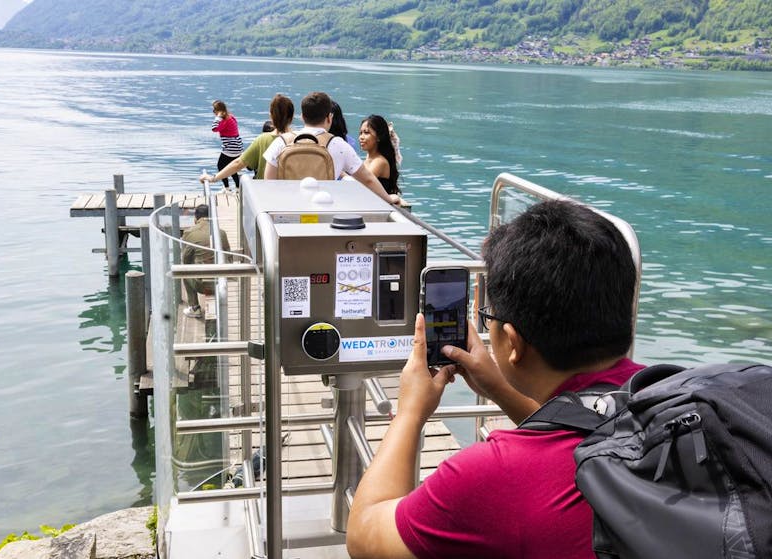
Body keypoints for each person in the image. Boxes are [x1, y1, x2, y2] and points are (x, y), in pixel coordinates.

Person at [347, 200, 644, 559]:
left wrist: (410, 413)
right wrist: (500, 389)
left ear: (512, 342)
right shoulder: (672, 397)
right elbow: (584, 428)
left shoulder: (492, 477)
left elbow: (364, 537)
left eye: (488, 318)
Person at [262, 91, 399, 204]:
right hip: (323, 212)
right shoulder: (339, 145)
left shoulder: (281, 142)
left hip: (287, 209)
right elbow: (367, 179)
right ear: (329, 117)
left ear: (302, 117)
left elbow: (268, 183)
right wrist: (388, 198)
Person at [202, 94, 294, 185]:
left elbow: (238, 164)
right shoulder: (298, 139)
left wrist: (213, 178)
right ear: (292, 117)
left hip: (264, 194)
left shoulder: (262, 139)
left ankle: (229, 187)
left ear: (271, 116)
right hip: (292, 193)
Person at [181, 204, 231, 318]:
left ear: (196, 218)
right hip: (221, 280)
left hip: (201, 284)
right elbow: (229, 256)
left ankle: (194, 307)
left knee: (183, 271)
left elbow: (185, 260)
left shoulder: (189, 233)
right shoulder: (221, 232)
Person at [358, 114, 400, 195]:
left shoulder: (380, 161)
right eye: (360, 133)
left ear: (379, 137)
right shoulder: (368, 160)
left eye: (366, 133)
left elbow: (363, 183)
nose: (361, 137)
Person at [210, 100, 243, 190]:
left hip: (230, 148)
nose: (214, 113)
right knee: (231, 167)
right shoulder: (231, 117)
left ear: (219, 111)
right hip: (237, 146)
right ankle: (237, 188)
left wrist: (218, 117)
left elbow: (214, 128)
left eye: (215, 110)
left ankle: (227, 188)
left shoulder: (224, 120)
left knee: (221, 166)